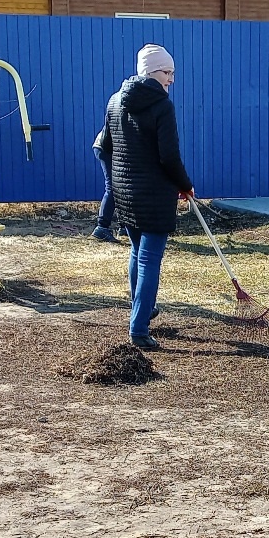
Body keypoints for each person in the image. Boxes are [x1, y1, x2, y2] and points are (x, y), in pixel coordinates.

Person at [99, 44, 194, 350]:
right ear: (152, 73)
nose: (172, 80)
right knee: (150, 260)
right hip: (153, 196)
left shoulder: (115, 101)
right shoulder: (162, 106)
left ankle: (143, 308)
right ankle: (139, 329)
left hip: (126, 194)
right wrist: (185, 185)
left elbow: (107, 148)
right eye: (168, 73)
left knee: (137, 254)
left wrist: (117, 184)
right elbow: (169, 156)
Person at [90, 128, 119, 243]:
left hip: (106, 145)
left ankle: (124, 226)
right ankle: (101, 227)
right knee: (113, 187)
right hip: (106, 147)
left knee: (120, 187)